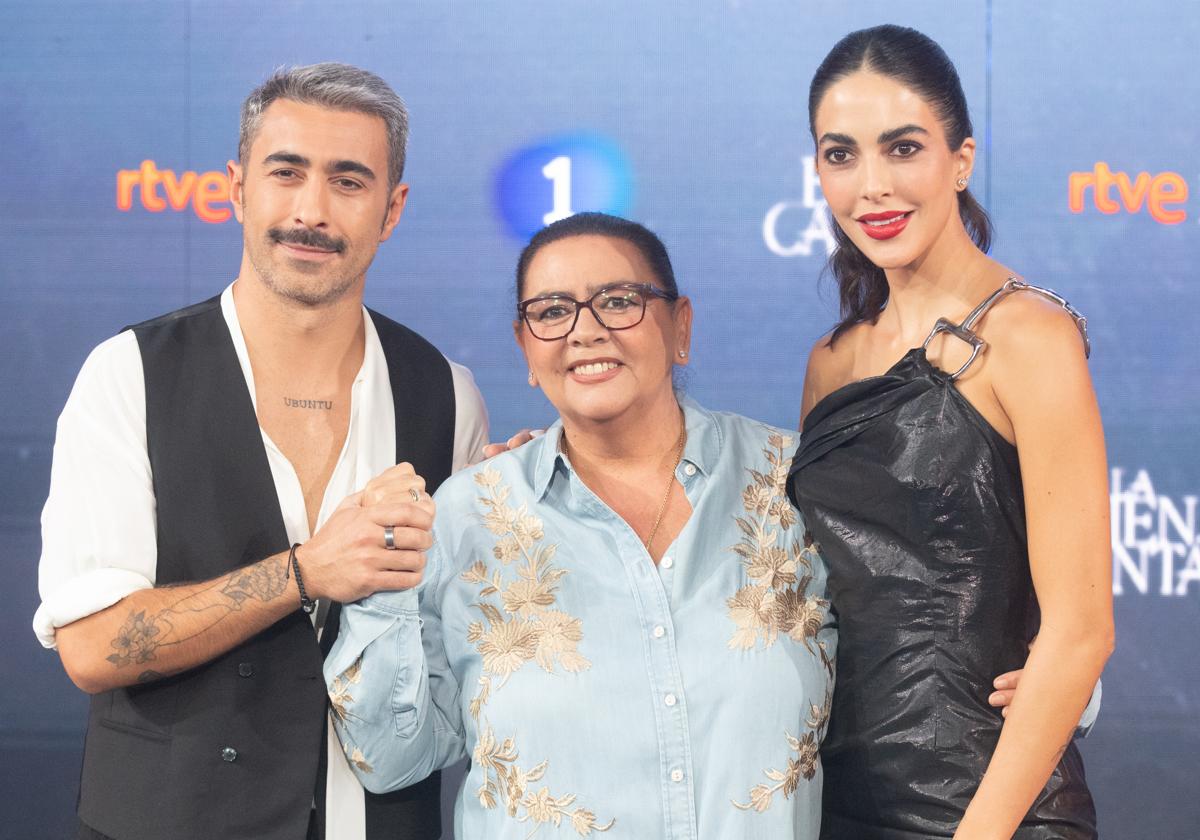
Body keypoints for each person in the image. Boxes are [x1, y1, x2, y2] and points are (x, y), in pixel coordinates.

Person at [33, 63, 488, 840]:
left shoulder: (446, 393)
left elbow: (467, 640)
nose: (310, 211)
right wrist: (304, 572)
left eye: (349, 181)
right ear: (237, 188)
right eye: (287, 173)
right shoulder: (128, 376)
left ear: (392, 209)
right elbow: (93, 643)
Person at [323, 213, 837, 838]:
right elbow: (391, 759)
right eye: (551, 310)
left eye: (619, 302)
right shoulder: (464, 518)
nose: (585, 331)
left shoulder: (799, 487)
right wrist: (388, 576)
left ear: (681, 328)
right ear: (526, 348)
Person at [788, 25, 1113, 839]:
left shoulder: (1029, 336)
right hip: (840, 798)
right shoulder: (831, 361)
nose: (872, 187)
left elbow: (1080, 631)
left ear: (959, 160)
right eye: (841, 155)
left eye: (903, 148)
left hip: (994, 808)